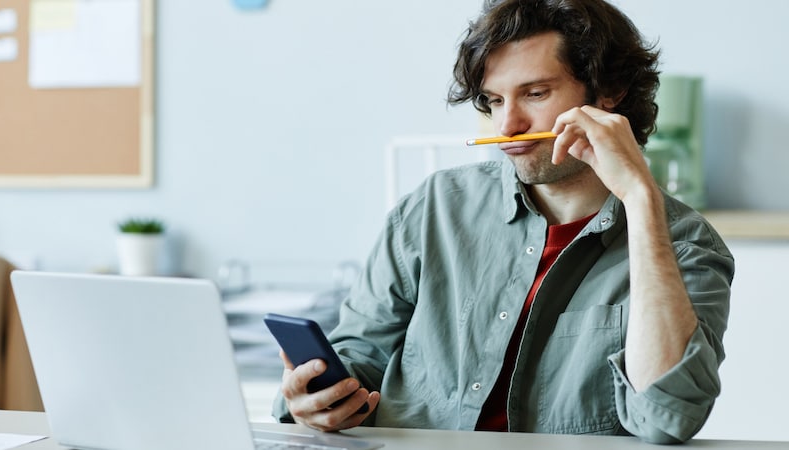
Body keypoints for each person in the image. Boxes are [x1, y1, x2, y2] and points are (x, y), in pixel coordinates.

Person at [272, 0, 734, 444]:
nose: (507, 126)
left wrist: (640, 198)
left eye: (535, 93)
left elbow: (667, 417)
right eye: (493, 100)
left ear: (609, 93)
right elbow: (359, 358)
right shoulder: (436, 205)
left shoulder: (687, 242)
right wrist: (310, 398)